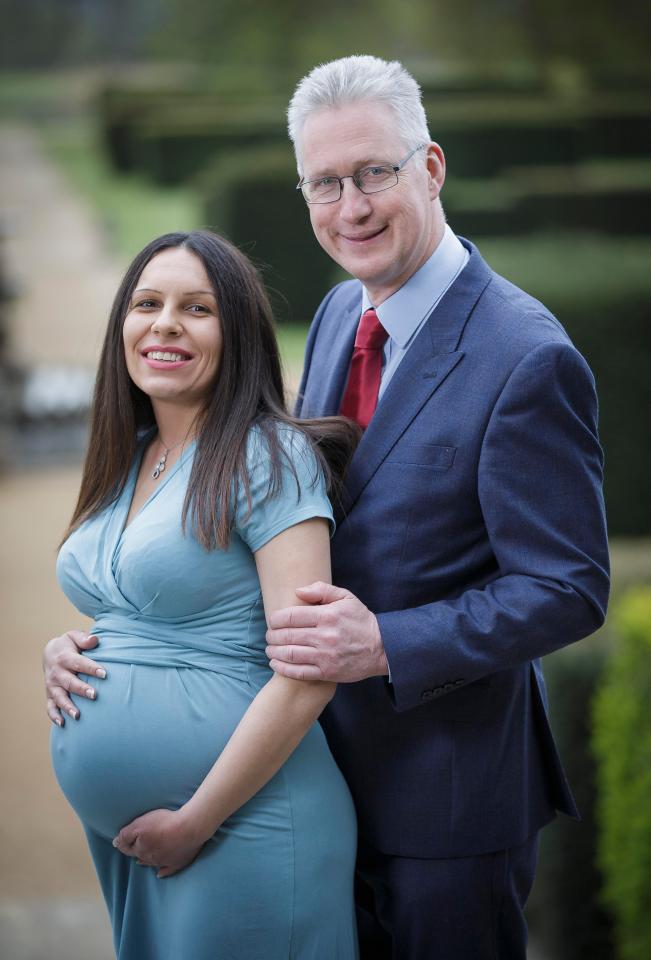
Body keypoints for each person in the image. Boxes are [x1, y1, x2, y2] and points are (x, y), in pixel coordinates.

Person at [45, 56, 610, 959]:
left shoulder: (526, 356)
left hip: (446, 800)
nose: (351, 207)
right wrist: (112, 640)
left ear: (429, 168)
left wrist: (385, 643)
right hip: (312, 773)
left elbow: (569, 587)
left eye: (374, 174)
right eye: (325, 183)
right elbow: (284, 532)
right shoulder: (344, 309)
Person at [46, 229, 360, 960]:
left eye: (197, 309)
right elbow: (131, 609)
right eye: (147, 303)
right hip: (146, 842)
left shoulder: (268, 456)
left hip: (242, 822)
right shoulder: (129, 459)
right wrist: (65, 651)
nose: (165, 324)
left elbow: (308, 672)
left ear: (239, 334)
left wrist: (195, 820)